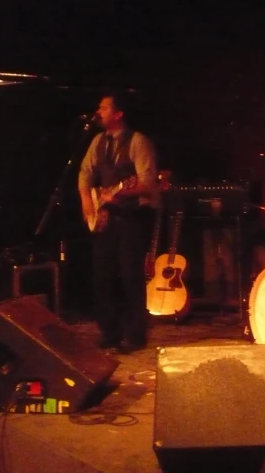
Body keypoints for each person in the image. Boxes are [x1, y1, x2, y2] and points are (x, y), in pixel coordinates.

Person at [78, 91, 159, 353]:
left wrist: (119, 192)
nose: (98, 112)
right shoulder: (97, 141)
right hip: (105, 218)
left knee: (130, 275)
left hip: (133, 216)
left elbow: (147, 183)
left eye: (103, 108)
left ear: (118, 113)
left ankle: (135, 334)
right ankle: (109, 333)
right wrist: (88, 203)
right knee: (101, 275)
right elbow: (84, 173)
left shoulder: (139, 142)